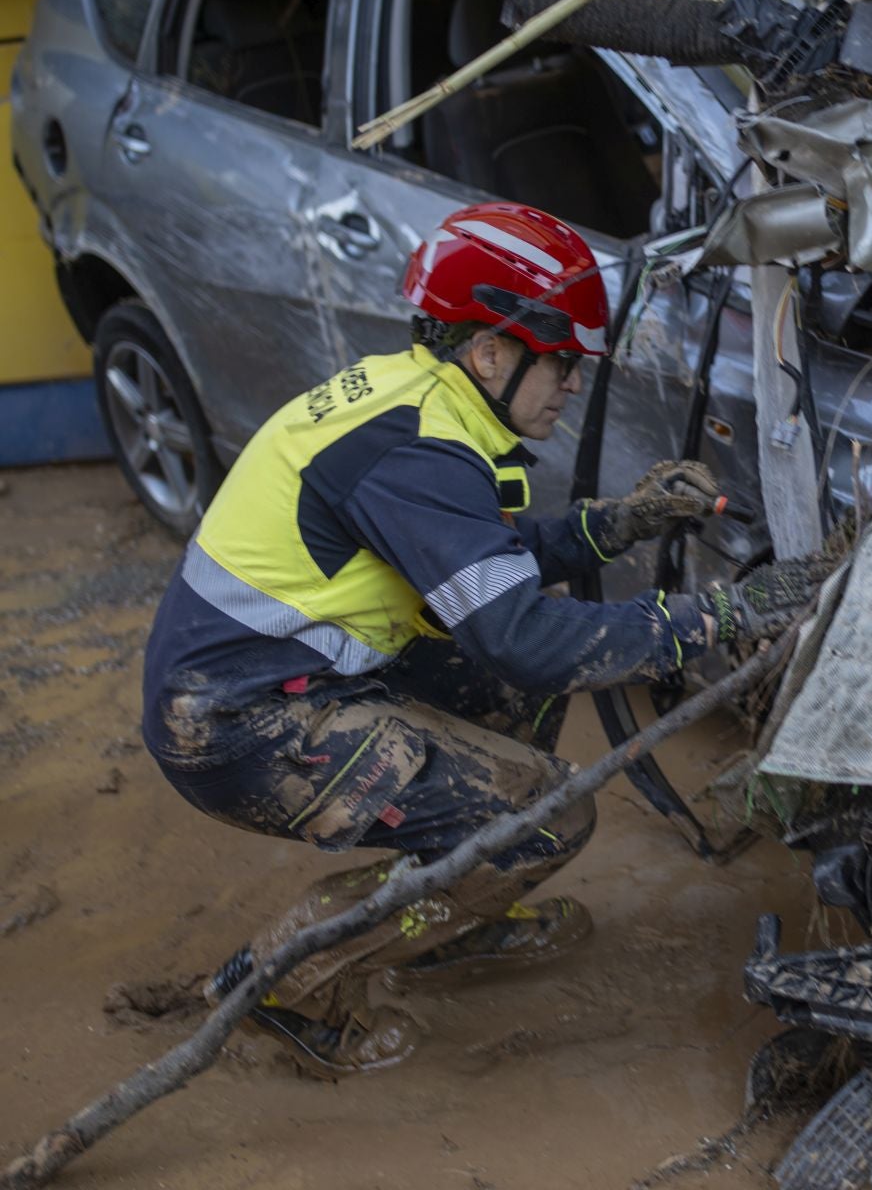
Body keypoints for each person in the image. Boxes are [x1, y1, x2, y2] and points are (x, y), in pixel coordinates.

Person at [141, 201, 827, 1075]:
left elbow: (481, 564)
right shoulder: (418, 452)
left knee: (515, 695)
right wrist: (718, 618)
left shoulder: (422, 403)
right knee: (540, 818)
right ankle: (293, 980)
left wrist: (615, 524)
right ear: (493, 352)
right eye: (564, 363)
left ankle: (448, 918)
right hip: (235, 721)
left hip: (273, 674)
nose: (573, 384)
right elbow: (524, 634)